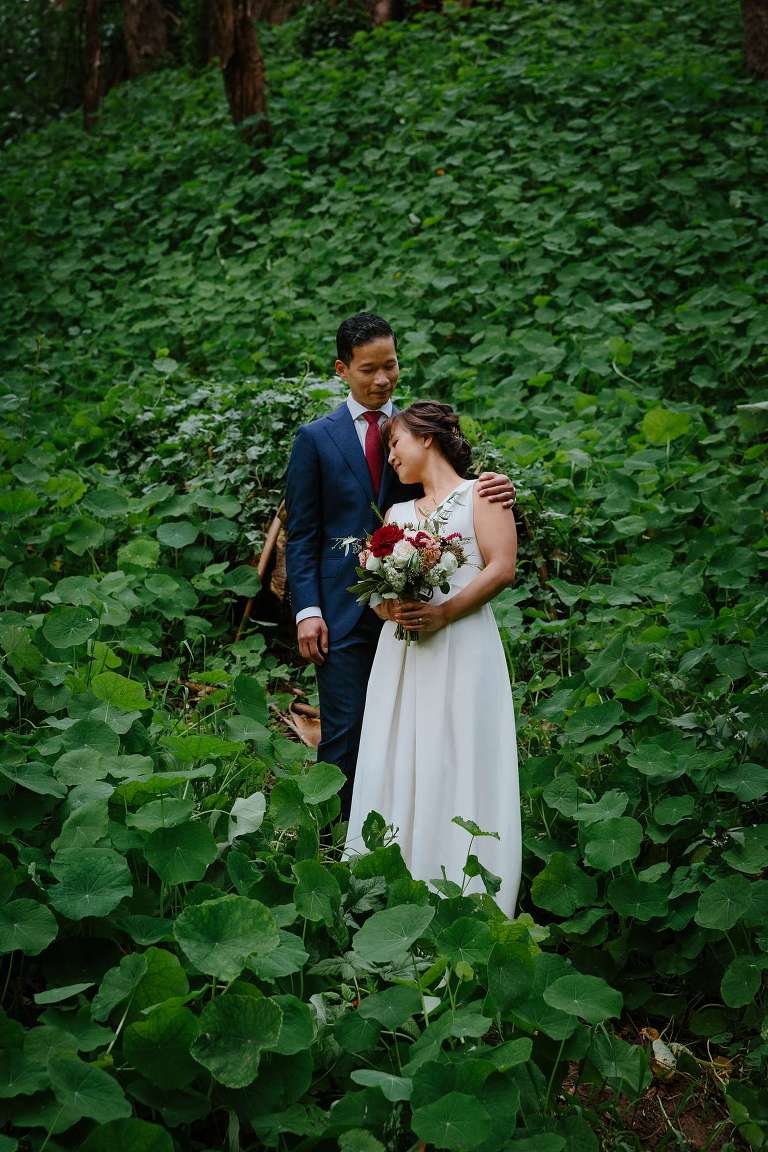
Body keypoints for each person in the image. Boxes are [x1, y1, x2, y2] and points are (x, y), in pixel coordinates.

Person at [285, 313, 515, 821]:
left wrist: (502, 487)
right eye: (368, 369)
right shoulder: (316, 439)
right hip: (342, 611)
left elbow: (453, 491)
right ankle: (336, 842)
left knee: (414, 731)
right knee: (344, 730)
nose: (382, 379)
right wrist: (308, 610)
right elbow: (302, 534)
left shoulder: (416, 430)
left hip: (422, 610)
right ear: (342, 370)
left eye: (389, 365)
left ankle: (409, 832)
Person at [344, 401, 521, 917]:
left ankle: (465, 889)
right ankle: (393, 884)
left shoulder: (482, 494)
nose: (391, 457)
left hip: (463, 646)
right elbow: (374, 595)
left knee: (460, 751)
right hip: (404, 656)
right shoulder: (396, 517)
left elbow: (502, 568)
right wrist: (390, 606)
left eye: (395, 443)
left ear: (426, 437)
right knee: (400, 751)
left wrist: (444, 614)